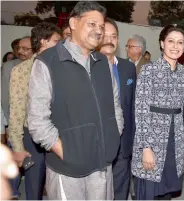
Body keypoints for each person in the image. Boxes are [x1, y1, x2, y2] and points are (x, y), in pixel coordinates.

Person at [27, 2, 120, 199]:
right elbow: (37, 121)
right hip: (67, 170)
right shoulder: (47, 62)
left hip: (103, 164)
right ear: (73, 23)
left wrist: (113, 135)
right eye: (92, 24)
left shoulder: (103, 62)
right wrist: (66, 152)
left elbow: (115, 106)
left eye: (101, 26)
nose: (98, 31)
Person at [131, 24, 184, 200]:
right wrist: (145, 147)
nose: (175, 46)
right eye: (170, 41)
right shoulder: (148, 70)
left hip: (175, 140)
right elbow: (141, 110)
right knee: (149, 190)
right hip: (152, 140)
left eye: (180, 42)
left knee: (167, 192)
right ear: (162, 43)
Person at [8, 22, 61, 200]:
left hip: (59, 134)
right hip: (32, 138)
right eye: (56, 40)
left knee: (59, 185)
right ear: (44, 42)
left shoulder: (62, 67)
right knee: (34, 186)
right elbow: (16, 112)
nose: (60, 44)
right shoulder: (21, 71)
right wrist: (18, 147)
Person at [99, 17, 136, 200]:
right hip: (97, 142)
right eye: (105, 35)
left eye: (113, 36)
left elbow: (132, 105)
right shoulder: (88, 66)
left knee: (120, 188)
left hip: (124, 142)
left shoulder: (127, 67)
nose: (109, 40)